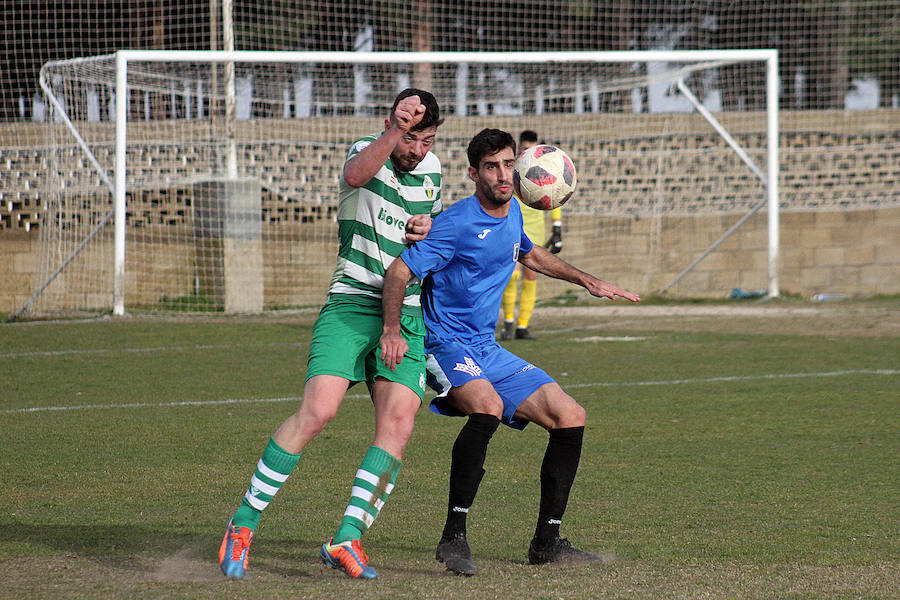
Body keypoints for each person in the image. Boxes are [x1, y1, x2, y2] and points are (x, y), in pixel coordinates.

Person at [380, 128, 640, 575]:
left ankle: (547, 542)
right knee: (487, 406)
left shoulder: (515, 214)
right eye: (491, 167)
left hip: (487, 347)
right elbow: (399, 272)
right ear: (473, 173)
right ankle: (453, 537)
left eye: (507, 164)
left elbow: (529, 254)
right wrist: (391, 330)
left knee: (570, 415)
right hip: (444, 343)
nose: (502, 175)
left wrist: (588, 281)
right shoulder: (456, 223)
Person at [219, 88, 444, 581]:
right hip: (351, 304)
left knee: (399, 425)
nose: (418, 150)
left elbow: (423, 225)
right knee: (318, 412)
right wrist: (394, 132)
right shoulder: (367, 149)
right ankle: (243, 524)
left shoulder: (433, 170)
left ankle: (346, 538)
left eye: (426, 140)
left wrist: (426, 225)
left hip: (404, 313)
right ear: (392, 125)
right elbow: (355, 176)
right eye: (412, 138)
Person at [499, 130, 564, 341]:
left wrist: (557, 227)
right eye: (525, 147)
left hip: (536, 230)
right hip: (514, 228)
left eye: (532, 148)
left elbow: (554, 195)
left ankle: (522, 326)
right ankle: (508, 321)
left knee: (532, 275)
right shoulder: (514, 170)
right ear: (520, 148)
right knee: (513, 274)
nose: (529, 151)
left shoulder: (544, 170)